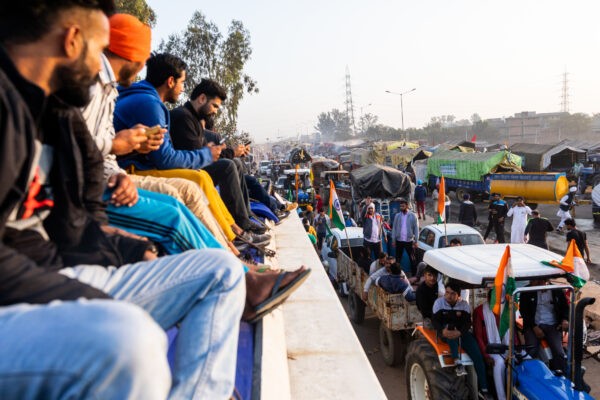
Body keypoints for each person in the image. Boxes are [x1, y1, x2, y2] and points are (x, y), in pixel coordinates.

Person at [0, 2, 244, 398]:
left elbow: (78, 219)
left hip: (57, 271)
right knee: (133, 343)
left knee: (220, 272)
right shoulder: (11, 106)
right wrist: (91, 302)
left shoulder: (57, 112)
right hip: (27, 294)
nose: (104, 70)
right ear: (73, 41)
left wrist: (129, 248)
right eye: (100, 50)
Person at [113, 53, 266, 237]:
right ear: (170, 81)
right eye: (182, 82)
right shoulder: (151, 105)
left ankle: (236, 229)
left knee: (209, 173)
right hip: (131, 169)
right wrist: (207, 155)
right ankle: (232, 238)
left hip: (138, 165)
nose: (182, 88)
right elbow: (165, 159)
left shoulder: (147, 100)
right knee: (201, 178)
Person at [432, 281, 490, 398]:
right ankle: (457, 362)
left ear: (458, 295)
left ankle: (484, 389)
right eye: (447, 293)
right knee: (449, 328)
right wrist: (442, 331)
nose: (449, 296)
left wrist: (460, 332)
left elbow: (467, 323)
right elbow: (435, 321)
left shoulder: (464, 305)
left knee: (477, 355)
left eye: (452, 293)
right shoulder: (439, 303)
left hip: (461, 333)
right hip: (444, 332)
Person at [521, 279, 569, 372]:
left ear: (547, 280)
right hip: (534, 325)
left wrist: (565, 320)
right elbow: (524, 313)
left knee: (559, 352)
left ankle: (561, 377)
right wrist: (534, 327)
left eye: (542, 281)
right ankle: (531, 375)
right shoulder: (526, 291)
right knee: (531, 351)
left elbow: (565, 308)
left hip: (552, 325)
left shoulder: (557, 290)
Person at [473, 289, 508, 400]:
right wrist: (486, 356)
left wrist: (515, 347)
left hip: (505, 345)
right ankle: (501, 396)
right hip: (489, 347)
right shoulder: (479, 312)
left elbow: (511, 331)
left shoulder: (505, 311)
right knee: (499, 363)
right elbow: (478, 336)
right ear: (488, 299)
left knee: (524, 359)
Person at [391, 199, 419, 275]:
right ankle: (397, 274)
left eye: (403, 206)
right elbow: (394, 228)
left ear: (407, 206)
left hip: (409, 241)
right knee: (398, 259)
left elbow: (416, 229)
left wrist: (416, 240)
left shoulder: (412, 216)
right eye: (400, 206)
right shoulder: (397, 216)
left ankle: (414, 275)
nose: (401, 207)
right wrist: (393, 240)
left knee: (412, 259)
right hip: (399, 241)